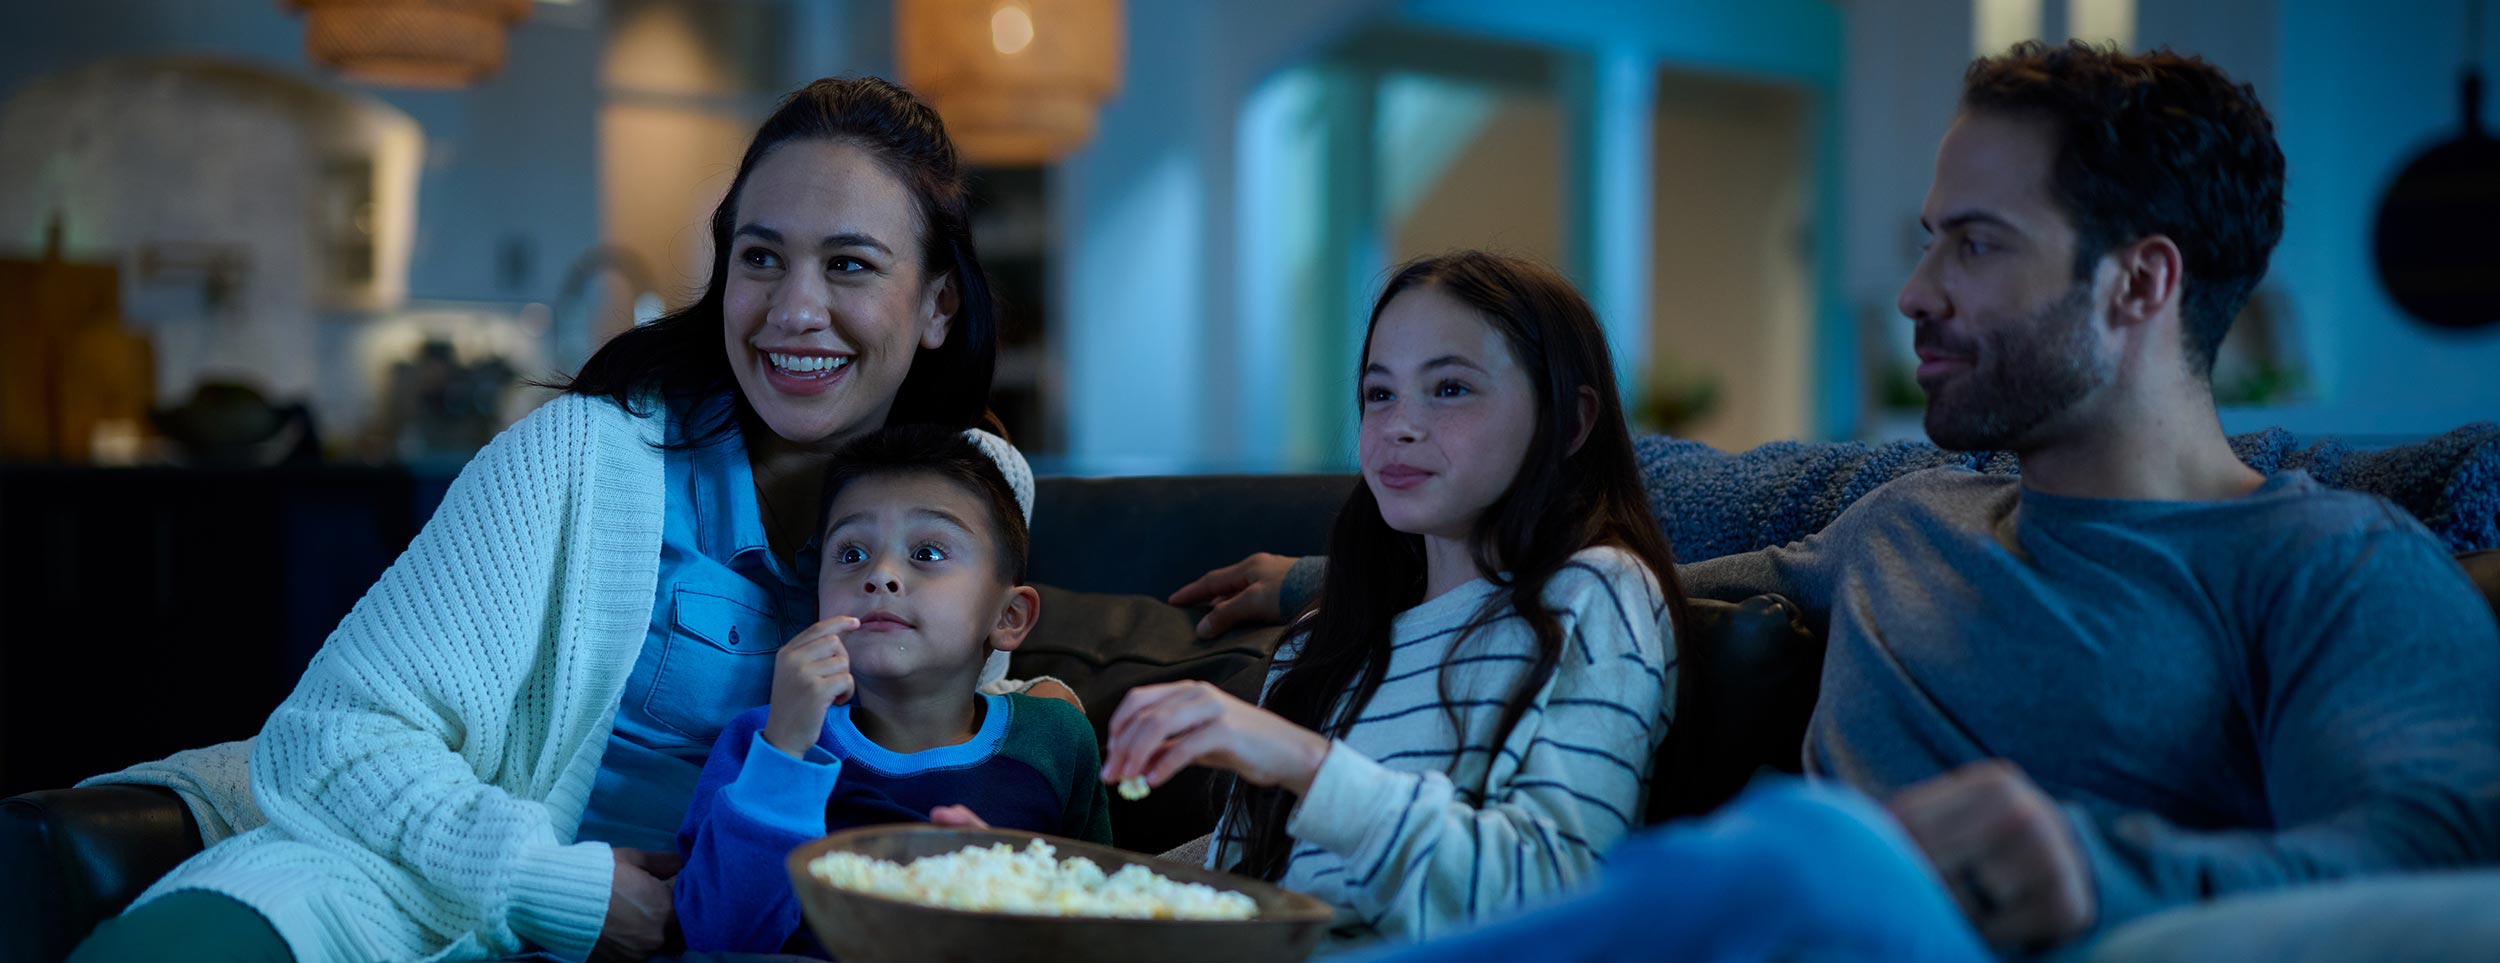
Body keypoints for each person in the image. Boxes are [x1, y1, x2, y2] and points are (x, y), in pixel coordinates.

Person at [1180, 41, 2500, 960]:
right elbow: (1628, 557)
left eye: (1972, 241)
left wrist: (2111, 866)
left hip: (1994, 929)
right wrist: (1319, 585)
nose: (1916, 289)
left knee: (1812, 849)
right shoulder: (1906, 519)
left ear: (2141, 284)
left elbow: (2444, 840)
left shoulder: (2334, 558)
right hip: (1771, 928)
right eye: (1926, 236)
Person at [69, 77, 1071, 963]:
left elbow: (942, 751)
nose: (792, 309)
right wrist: (573, 894)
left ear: (938, 303)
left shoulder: (980, 491)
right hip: (427, 900)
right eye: (760, 259)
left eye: (849, 265)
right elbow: (332, 740)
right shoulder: (585, 455)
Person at [1099, 250, 1688, 948]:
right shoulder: (1321, 640)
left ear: (1570, 420)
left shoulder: (1597, 592)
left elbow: (1554, 904)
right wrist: (1036, 894)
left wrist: (1306, 763)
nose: (1400, 426)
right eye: (1380, 394)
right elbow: (1237, 902)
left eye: (1449, 388)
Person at [672, 425, 1111, 956]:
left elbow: (1100, 922)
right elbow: (717, 935)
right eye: (852, 554)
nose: (880, 575)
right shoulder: (765, 742)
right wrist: (785, 752)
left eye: (927, 553)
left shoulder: (1055, 739)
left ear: (1009, 617)